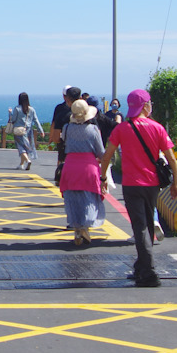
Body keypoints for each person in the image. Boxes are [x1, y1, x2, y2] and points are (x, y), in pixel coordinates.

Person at [100, 89, 177, 287]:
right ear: (145, 105)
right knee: (145, 225)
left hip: (131, 184)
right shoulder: (158, 128)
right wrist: (176, 183)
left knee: (140, 226)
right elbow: (171, 159)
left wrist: (102, 177)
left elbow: (107, 154)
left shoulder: (122, 128)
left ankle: (148, 271)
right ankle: (141, 267)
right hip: (152, 185)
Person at [59, 99, 106, 246]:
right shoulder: (92, 130)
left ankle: (77, 229)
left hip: (70, 165)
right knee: (89, 198)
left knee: (72, 198)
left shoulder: (66, 128)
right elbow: (101, 152)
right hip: (88, 166)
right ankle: (85, 226)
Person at [50, 86, 82, 183]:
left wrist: (52, 138)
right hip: (83, 147)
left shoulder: (60, 111)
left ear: (66, 98)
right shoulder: (87, 113)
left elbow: (54, 125)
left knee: (61, 159)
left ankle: (60, 178)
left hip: (65, 143)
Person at [7, 92, 44, 170]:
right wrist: (41, 130)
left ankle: (27, 160)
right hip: (28, 131)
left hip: (18, 131)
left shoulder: (17, 108)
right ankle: (21, 164)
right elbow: (36, 120)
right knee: (26, 146)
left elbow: (13, 120)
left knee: (21, 148)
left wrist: (10, 113)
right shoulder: (31, 109)